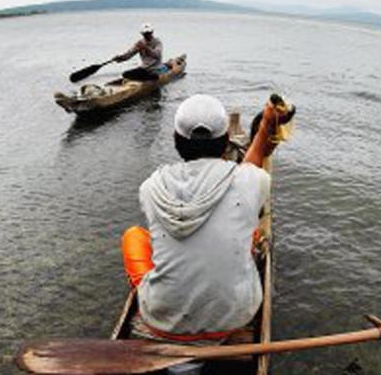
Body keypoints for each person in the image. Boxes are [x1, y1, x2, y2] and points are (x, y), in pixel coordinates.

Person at [120, 94, 293, 373]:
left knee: (134, 236)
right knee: (247, 237)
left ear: (176, 141)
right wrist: (265, 128)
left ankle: (150, 293)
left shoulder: (150, 188)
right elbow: (253, 164)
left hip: (163, 321)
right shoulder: (250, 181)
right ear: (226, 142)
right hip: (232, 317)